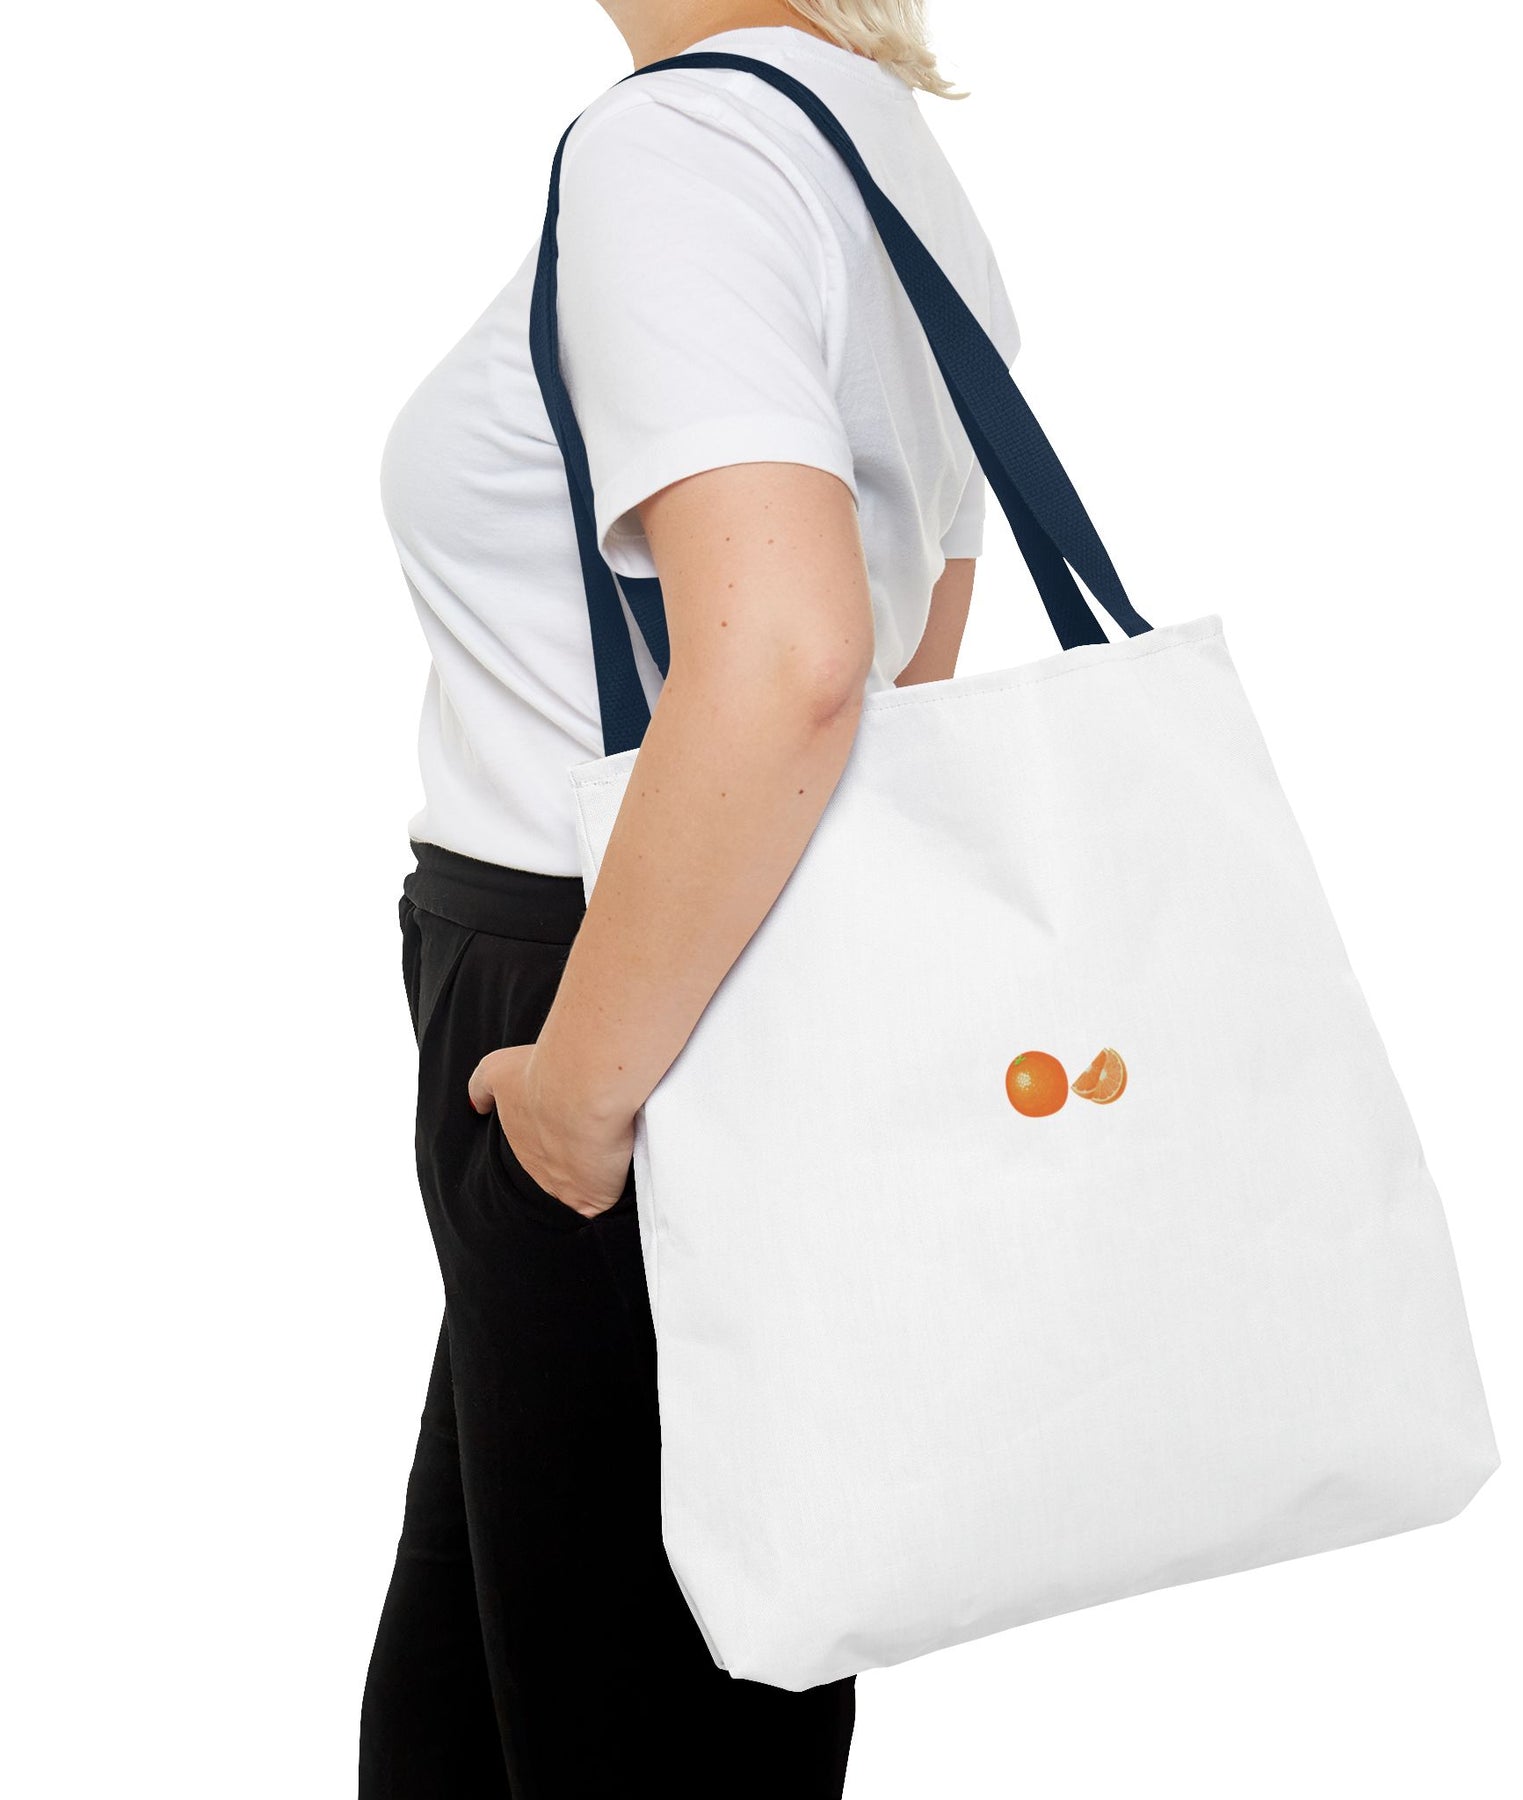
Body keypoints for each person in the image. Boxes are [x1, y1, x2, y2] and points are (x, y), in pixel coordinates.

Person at [359, 3, 1018, 1793]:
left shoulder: (681, 149)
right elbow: (912, 661)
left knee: (618, 1730)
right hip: (724, 978)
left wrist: (579, 1099)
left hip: (604, 1009)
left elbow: (798, 658)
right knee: (508, 1710)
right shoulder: (872, 141)